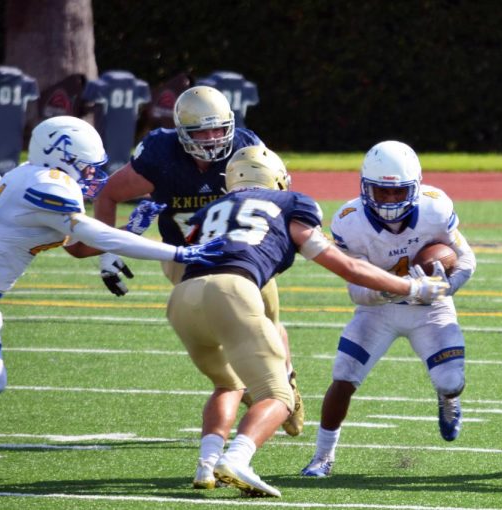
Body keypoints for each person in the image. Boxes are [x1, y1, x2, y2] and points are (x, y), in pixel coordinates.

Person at [167, 145, 449, 497]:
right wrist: (410, 286)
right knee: (278, 396)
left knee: (229, 385)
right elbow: (349, 267)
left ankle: (206, 465)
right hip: (233, 289)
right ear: (278, 180)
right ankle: (237, 458)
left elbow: (177, 260)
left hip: (182, 298)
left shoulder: (209, 211)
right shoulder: (289, 204)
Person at [65, 85, 305, 437]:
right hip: (184, 254)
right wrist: (108, 252)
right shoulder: (161, 153)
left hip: (244, 252)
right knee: (220, 325)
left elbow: (276, 196)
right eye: (200, 131)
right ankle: (244, 387)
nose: (210, 139)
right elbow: (111, 192)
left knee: (268, 321)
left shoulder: (245, 147)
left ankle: (285, 383)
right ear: (181, 132)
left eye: (217, 129)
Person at [0, 116, 223, 412]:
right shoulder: (48, 186)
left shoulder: (25, 175)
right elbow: (95, 234)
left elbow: (80, 248)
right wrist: (179, 254)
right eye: (85, 166)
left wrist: (128, 229)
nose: (92, 175)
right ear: (60, 156)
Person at [301, 140, 476, 478]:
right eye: (382, 192)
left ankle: (449, 398)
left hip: (430, 310)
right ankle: (322, 457)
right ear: (366, 188)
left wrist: (444, 287)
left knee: (451, 380)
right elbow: (355, 289)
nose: (391, 200)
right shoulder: (349, 222)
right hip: (377, 311)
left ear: (416, 186)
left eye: (399, 193)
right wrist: (388, 290)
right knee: (343, 376)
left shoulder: (435, 208)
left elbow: (466, 258)